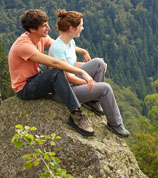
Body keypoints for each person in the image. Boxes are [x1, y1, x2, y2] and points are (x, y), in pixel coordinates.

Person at [8, 9, 95, 136]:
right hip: (26, 87)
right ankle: (76, 114)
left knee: (57, 67)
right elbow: (55, 63)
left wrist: (82, 51)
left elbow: (59, 46)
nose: (48, 27)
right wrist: (81, 72)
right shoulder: (23, 46)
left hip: (36, 75)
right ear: (32, 29)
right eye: (44, 26)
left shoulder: (40, 37)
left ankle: (78, 93)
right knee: (56, 72)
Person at [49, 10, 130, 138]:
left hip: (72, 83)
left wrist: (95, 67)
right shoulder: (58, 48)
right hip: (65, 91)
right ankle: (115, 124)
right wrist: (91, 83)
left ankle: (92, 101)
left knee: (98, 62)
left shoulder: (69, 42)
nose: (83, 28)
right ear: (72, 28)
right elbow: (68, 77)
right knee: (105, 88)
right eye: (80, 26)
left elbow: (72, 65)